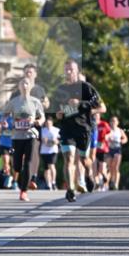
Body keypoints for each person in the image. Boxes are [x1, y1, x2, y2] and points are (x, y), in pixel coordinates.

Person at [50, 59, 100, 203]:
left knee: (84, 159)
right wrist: (58, 113)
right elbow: (56, 111)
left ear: (77, 71)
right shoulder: (60, 90)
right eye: (66, 69)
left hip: (83, 129)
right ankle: (70, 189)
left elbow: (98, 104)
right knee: (69, 158)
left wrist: (80, 104)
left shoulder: (86, 87)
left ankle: (88, 174)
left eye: (71, 69)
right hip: (67, 129)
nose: (69, 72)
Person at [2, 78, 45, 202]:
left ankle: (23, 191)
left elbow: (42, 117)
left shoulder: (36, 102)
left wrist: (37, 121)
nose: (25, 85)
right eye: (22, 83)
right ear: (19, 87)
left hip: (31, 135)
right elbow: (5, 114)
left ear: (30, 86)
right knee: (17, 166)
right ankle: (18, 175)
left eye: (27, 83)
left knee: (28, 162)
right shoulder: (14, 102)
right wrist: (4, 121)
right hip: (16, 136)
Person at [10, 64, 48, 189]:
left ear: (35, 74)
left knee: (34, 151)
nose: (28, 74)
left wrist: (43, 104)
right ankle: (19, 177)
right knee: (19, 156)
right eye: (26, 72)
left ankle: (33, 177)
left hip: (34, 125)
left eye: (31, 72)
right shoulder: (16, 92)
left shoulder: (39, 90)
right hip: (19, 127)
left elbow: (46, 103)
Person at [106, 115, 128, 190]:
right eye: (112, 121)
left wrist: (122, 141)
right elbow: (104, 137)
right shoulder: (108, 130)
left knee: (116, 167)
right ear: (110, 122)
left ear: (117, 122)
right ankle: (108, 183)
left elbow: (125, 139)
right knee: (109, 167)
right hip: (109, 149)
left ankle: (116, 183)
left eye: (115, 121)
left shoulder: (120, 130)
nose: (113, 122)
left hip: (117, 149)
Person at [39, 116, 60, 190]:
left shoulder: (56, 130)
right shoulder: (42, 130)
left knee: (51, 165)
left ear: (52, 123)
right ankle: (48, 184)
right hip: (44, 151)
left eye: (49, 123)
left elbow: (59, 140)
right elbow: (39, 139)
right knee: (46, 169)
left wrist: (55, 141)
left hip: (53, 150)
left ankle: (53, 182)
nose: (48, 124)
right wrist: (43, 140)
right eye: (46, 123)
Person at [0, 110, 15, 188]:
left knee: (15, 165)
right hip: (3, 143)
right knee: (5, 161)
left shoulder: (16, 116)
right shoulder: (1, 116)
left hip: (14, 143)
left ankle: (14, 182)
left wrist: (10, 128)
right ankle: (8, 176)